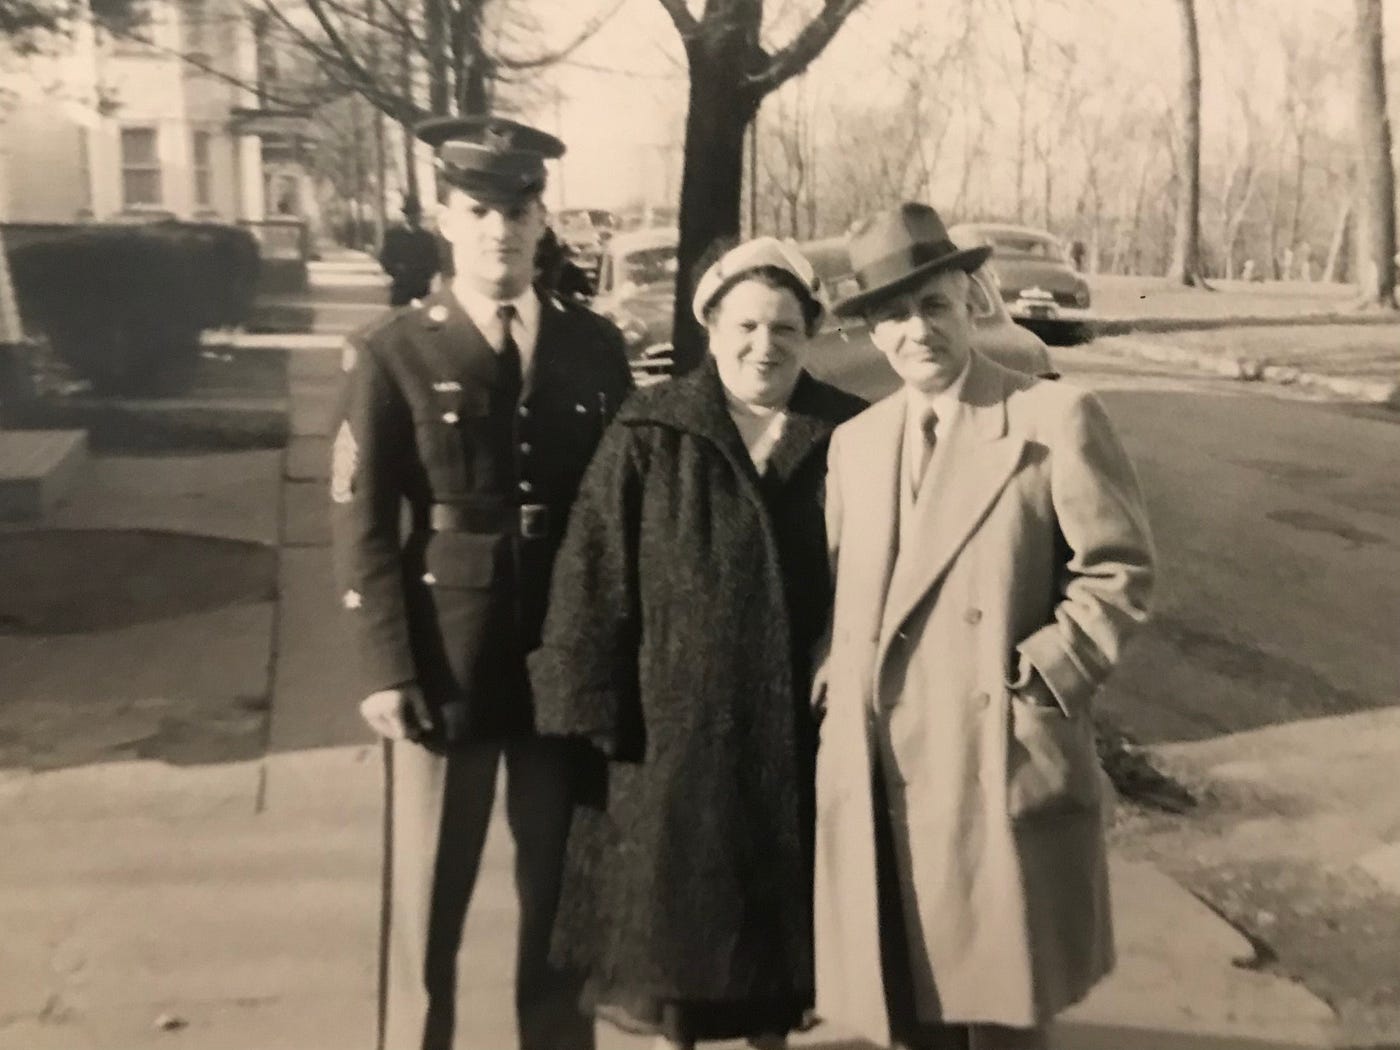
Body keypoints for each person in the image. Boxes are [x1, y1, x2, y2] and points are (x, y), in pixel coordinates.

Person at [812, 202, 1155, 1050]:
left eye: (932, 305)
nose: (916, 330)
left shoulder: (1051, 419)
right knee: (909, 1010)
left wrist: (1045, 676)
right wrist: (832, 671)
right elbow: (842, 592)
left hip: (992, 760)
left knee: (1001, 1016)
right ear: (872, 334)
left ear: (971, 303)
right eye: (892, 315)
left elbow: (1119, 571)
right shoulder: (855, 446)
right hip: (885, 767)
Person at [330, 114, 634, 1050]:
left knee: (559, 896)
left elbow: (621, 506)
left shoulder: (594, 347)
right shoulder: (394, 350)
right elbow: (363, 517)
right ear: (445, 219)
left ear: (544, 222)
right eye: (479, 209)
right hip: (443, 661)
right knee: (430, 894)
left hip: (562, 653)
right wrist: (386, 667)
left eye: (519, 208)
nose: (500, 228)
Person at [528, 236, 867, 1050]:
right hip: (670, 736)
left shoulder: (851, 434)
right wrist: (584, 713)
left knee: (778, 954)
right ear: (711, 329)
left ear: (811, 333)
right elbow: (593, 574)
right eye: (745, 326)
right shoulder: (651, 431)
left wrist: (843, 647)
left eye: (786, 328)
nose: (764, 346)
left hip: (798, 733)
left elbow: (885, 570)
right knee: (674, 949)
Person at [379, 193, 443, 306]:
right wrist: (396, 271)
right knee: (400, 318)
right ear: (404, 215)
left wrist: (424, 274)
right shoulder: (393, 235)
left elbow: (435, 261)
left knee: (421, 319)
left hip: (421, 288)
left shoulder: (427, 237)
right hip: (401, 286)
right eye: (409, 214)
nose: (412, 217)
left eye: (415, 214)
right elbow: (385, 258)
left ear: (419, 216)